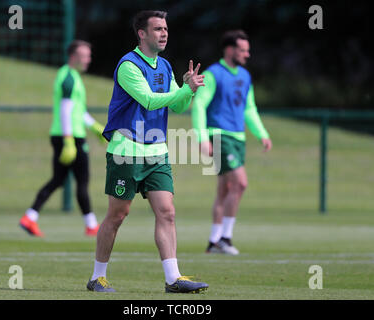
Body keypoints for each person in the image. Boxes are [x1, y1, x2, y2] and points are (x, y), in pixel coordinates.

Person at [86, 10, 209, 293]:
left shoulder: (164, 66)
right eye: (157, 29)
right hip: (126, 150)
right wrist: (184, 90)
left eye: (165, 28)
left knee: (167, 212)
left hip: (157, 152)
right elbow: (150, 101)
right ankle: (97, 277)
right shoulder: (128, 65)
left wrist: (190, 90)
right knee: (118, 215)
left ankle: (172, 278)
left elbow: (177, 107)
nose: (164, 33)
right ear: (142, 34)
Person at [192, 30, 272, 255]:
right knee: (241, 183)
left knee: (225, 189)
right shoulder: (213, 74)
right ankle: (225, 238)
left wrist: (262, 133)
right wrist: (202, 138)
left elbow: (249, 108)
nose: (247, 54)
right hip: (219, 135)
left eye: (248, 50)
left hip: (238, 138)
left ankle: (213, 241)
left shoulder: (245, 76)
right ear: (229, 50)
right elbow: (199, 104)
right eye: (242, 50)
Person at [19, 40, 107, 237]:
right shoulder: (68, 77)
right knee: (82, 180)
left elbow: (77, 110)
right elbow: (66, 110)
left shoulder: (72, 76)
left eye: (89, 56)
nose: (88, 60)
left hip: (65, 135)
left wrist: (95, 127)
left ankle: (30, 217)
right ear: (73, 57)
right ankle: (91, 225)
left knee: (58, 179)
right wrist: (69, 141)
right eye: (85, 56)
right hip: (71, 137)